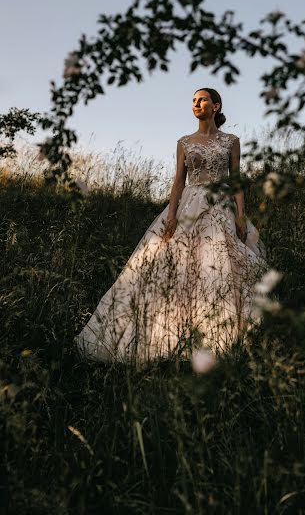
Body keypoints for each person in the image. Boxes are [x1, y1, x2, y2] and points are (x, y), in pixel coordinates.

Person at [74, 88, 267, 365]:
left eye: (202, 100)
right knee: (171, 265)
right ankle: (170, 337)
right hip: (189, 203)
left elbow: (235, 181)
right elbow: (178, 181)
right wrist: (172, 215)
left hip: (221, 206)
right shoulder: (185, 142)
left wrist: (240, 215)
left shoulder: (231, 141)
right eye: (193, 100)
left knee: (221, 266)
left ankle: (222, 336)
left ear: (216, 106)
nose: (196, 104)